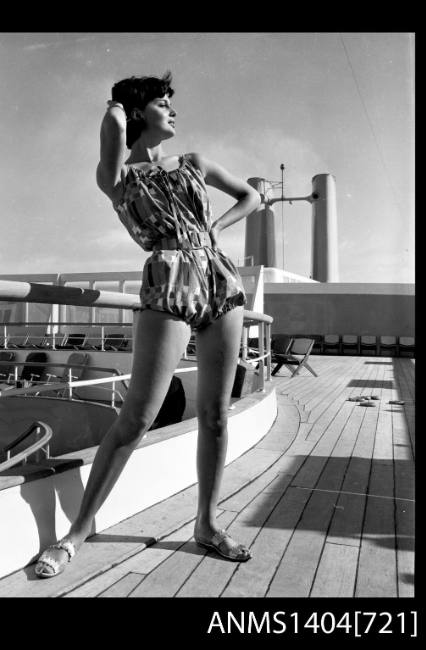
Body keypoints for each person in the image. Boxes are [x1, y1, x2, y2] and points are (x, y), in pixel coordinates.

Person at [35, 71, 261, 578]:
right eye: (163, 104)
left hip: (219, 279)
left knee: (217, 415)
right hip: (167, 278)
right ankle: (77, 531)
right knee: (136, 418)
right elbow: (113, 126)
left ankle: (206, 523)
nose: (174, 112)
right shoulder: (116, 178)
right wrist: (121, 106)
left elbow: (251, 196)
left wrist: (216, 229)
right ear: (139, 113)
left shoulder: (196, 163)